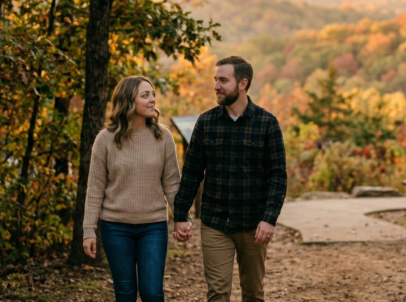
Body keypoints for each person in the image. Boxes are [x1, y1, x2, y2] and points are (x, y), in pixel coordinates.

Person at [173, 56, 287, 302]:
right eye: (215, 80)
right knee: (217, 293)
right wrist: (181, 215)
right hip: (215, 223)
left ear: (242, 84)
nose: (216, 86)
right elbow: (192, 172)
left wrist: (269, 219)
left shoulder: (267, 123)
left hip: (253, 225)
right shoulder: (206, 123)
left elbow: (277, 177)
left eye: (223, 80)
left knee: (253, 293)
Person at [82, 76, 181, 302]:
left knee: (152, 293)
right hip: (115, 227)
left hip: (153, 226)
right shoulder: (105, 140)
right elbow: (95, 189)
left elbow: (172, 183)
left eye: (153, 94)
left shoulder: (163, 136)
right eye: (145, 95)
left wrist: (181, 218)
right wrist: (89, 230)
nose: (152, 99)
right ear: (128, 101)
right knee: (125, 293)